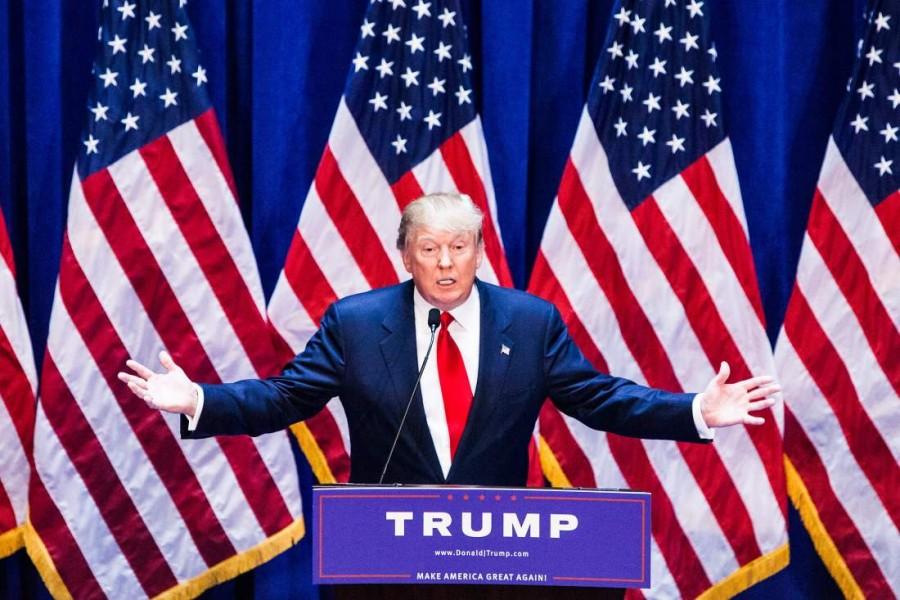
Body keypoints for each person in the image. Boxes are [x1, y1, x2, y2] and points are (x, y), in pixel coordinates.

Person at [118, 193, 779, 486]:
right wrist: (197, 400)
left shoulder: (530, 321)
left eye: (458, 247)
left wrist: (696, 410)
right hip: (383, 556)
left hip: (501, 560)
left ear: (479, 253)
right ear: (405, 256)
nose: (444, 262)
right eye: (429, 248)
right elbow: (284, 399)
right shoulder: (353, 322)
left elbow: (601, 399)